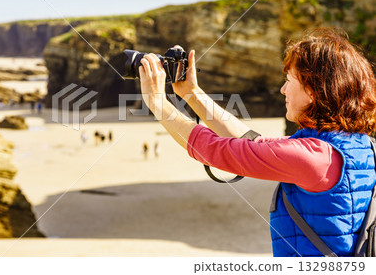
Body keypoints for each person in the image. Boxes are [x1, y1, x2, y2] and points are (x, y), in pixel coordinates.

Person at [138, 28, 376, 257]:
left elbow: (214, 150)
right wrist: (191, 93)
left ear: (314, 91)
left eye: (289, 81)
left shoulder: (312, 157)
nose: (283, 90)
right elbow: (253, 141)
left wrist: (158, 103)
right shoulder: (358, 145)